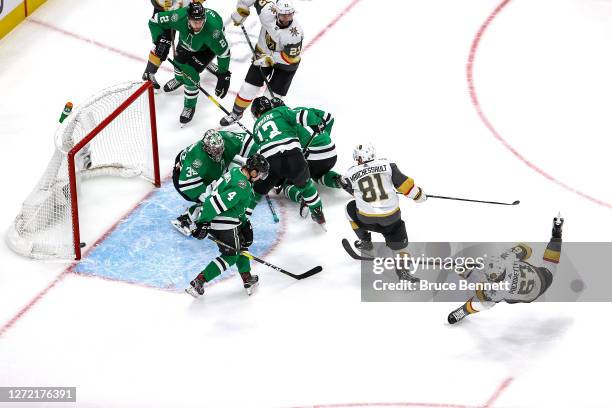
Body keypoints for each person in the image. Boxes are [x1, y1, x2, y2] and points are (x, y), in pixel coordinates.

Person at [447, 216, 564, 324]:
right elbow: (528, 250)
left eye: (491, 277)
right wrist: (514, 252)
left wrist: (466, 272)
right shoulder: (506, 258)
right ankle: (557, 235)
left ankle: (465, 310)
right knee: (550, 263)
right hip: (540, 277)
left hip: (531, 293)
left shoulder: (498, 290)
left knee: (487, 303)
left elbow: (481, 293)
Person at [185, 154, 270, 298]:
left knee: (241, 245)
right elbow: (214, 203)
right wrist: (203, 222)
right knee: (231, 256)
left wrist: (244, 222)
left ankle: (247, 277)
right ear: (253, 171)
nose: (260, 177)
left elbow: (232, 203)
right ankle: (199, 281)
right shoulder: (242, 186)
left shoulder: (235, 171)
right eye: (260, 173)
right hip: (224, 222)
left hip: (223, 219)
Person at [341, 143, 427, 281]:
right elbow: (404, 185)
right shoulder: (388, 165)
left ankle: (365, 241)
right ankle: (403, 270)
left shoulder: (350, 173)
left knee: (349, 209)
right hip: (391, 219)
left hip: (366, 219)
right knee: (398, 240)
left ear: (359, 158)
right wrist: (418, 195)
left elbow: (352, 191)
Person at [240, 96, 328, 227]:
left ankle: (241, 220)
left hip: (271, 162)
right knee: (306, 186)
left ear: (257, 113)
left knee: (257, 192)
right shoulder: (281, 110)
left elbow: (260, 146)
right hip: (294, 156)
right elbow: (301, 115)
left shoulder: (256, 126)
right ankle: (318, 213)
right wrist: (317, 121)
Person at [220, 0, 303, 126]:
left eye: (290, 14)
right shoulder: (267, 11)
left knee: (271, 99)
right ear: (276, 12)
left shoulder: (295, 34)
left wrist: (269, 58)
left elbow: (291, 58)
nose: (287, 18)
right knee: (248, 88)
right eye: (283, 15)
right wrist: (242, 10)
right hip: (262, 54)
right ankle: (236, 113)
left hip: (285, 66)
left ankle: (265, 125)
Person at [147, 2, 232, 124]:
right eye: (194, 22)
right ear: (187, 19)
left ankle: (189, 106)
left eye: (200, 21)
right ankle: (179, 79)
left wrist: (223, 74)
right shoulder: (178, 16)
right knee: (177, 62)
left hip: (206, 48)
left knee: (190, 73)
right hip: (186, 42)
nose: (198, 25)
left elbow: (224, 53)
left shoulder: (213, 31)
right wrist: (159, 40)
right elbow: (154, 21)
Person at [269, 98, 344, 216]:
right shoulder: (301, 110)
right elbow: (328, 117)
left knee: (288, 183)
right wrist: (323, 137)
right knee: (318, 175)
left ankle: (303, 198)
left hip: (313, 158)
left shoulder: (281, 124)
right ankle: (337, 180)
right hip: (331, 153)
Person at [172, 129, 245, 235]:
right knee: (215, 200)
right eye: (215, 151)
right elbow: (187, 187)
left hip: (205, 171)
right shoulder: (196, 161)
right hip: (184, 181)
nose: (218, 153)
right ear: (205, 148)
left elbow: (248, 141)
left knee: (235, 167)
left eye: (220, 149)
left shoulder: (225, 138)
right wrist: (211, 202)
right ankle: (187, 218)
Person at [141, 0, 187, 90]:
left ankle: (202, 63)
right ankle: (149, 73)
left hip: (185, 12)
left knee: (192, 40)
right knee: (163, 45)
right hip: (165, 12)